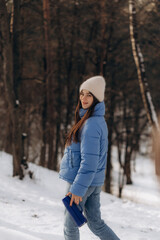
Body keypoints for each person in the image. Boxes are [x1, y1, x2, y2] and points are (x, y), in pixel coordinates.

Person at [59, 76, 120, 240]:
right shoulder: (95, 121)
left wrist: (77, 189)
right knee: (95, 223)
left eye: (89, 95)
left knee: (69, 226)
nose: (84, 99)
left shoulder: (91, 124)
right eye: (82, 94)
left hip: (82, 182)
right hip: (92, 181)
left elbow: (89, 161)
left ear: (97, 98)